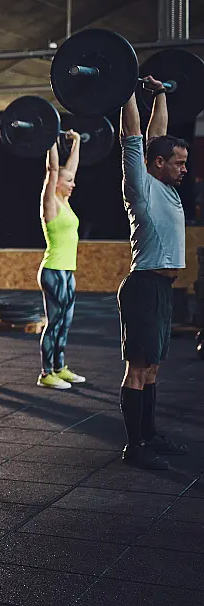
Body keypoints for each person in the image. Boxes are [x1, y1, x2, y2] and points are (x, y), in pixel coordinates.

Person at [117, 76, 190, 470]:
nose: (184, 168)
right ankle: (135, 447)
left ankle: (149, 434)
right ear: (158, 164)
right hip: (143, 286)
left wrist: (159, 92)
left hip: (162, 289)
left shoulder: (166, 185)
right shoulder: (141, 184)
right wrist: (123, 88)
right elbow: (134, 136)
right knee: (138, 367)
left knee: (154, 366)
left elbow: (155, 136)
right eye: (178, 163)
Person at [36, 134, 87, 389]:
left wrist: (76, 142)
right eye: (68, 181)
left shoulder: (65, 202)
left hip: (68, 270)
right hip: (54, 270)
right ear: (55, 183)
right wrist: (50, 138)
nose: (72, 183)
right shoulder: (51, 203)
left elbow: (70, 167)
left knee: (65, 322)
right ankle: (46, 373)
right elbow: (53, 169)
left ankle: (60, 367)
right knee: (54, 322)